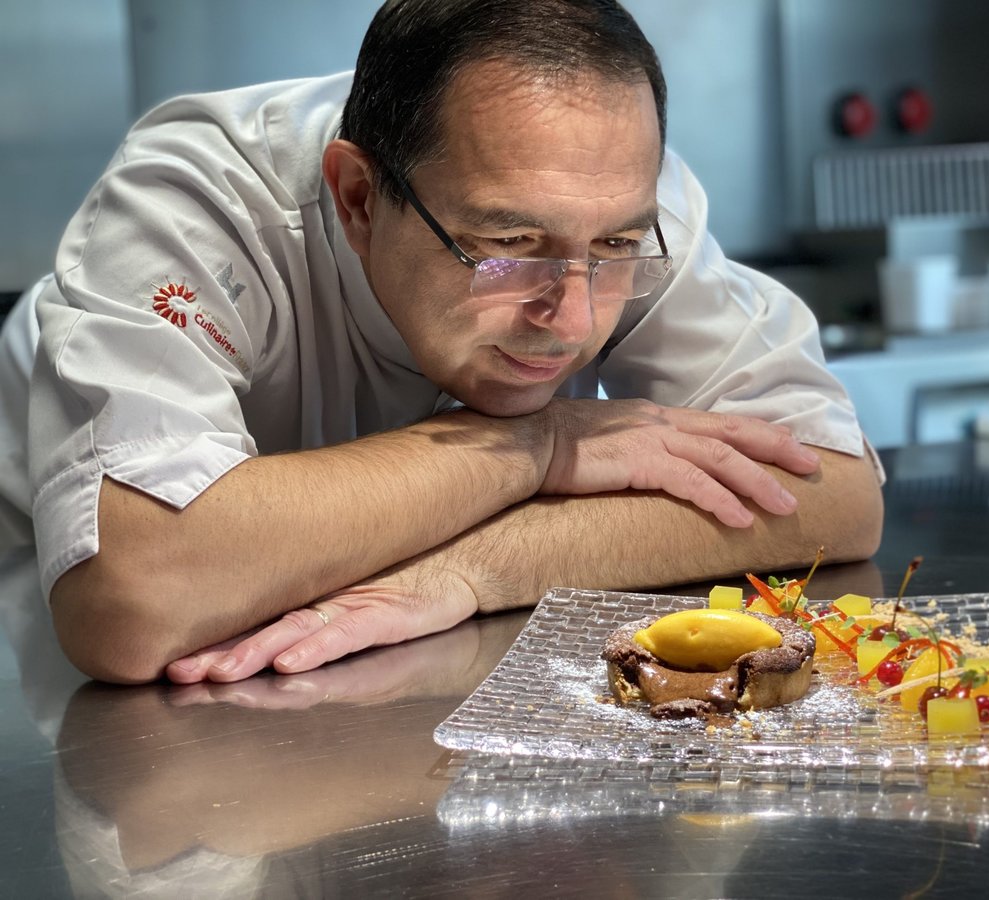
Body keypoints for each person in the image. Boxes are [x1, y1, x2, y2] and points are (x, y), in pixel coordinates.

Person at [0, 0, 883, 685]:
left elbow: (836, 492)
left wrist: (475, 568)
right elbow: (132, 598)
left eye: (614, 249)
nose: (571, 322)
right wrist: (532, 447)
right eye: (507, 248)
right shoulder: (195, 202)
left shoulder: (616, 204)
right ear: (356, 199)